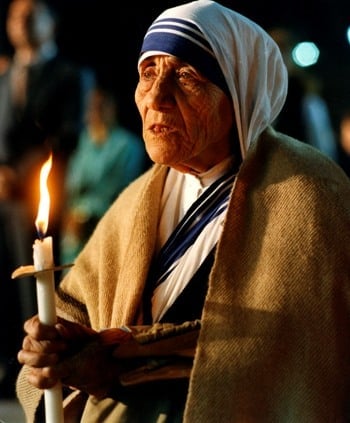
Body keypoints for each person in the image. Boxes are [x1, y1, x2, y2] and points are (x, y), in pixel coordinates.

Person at [16, 1, 350, 422]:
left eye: (187, 76)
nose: (156, 97)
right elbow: (72, 309)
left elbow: (295, 356)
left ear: (240, 93)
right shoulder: (136, 200)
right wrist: (56, 348)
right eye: (148, 72)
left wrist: (123, 363)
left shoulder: (312, 196)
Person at [0, 0, 92, 398]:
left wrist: (20, 176)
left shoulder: (71, 74)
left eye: (31, 12)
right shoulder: (4, 77)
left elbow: (69, 137)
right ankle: (14, 365)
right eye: (14, 14)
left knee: (48, 285)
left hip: (49, 196)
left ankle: (52, 371)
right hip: (4, 196)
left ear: (51, 22)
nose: (21, 20)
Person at [60, 86, 147, 265]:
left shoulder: (128, 146)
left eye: (101, 106)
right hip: (75, 232)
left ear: (112, 108)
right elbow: (72, 187)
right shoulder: (84, 143)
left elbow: (124, 192)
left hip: (108, 227)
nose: (95, 112)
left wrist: (90, 218)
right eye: (91, 106)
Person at [269, 26, 339, 162]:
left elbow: (321, 137)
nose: (280, 58)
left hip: (304, 163)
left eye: (283, 50)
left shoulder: (304, 93)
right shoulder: (261, 93)